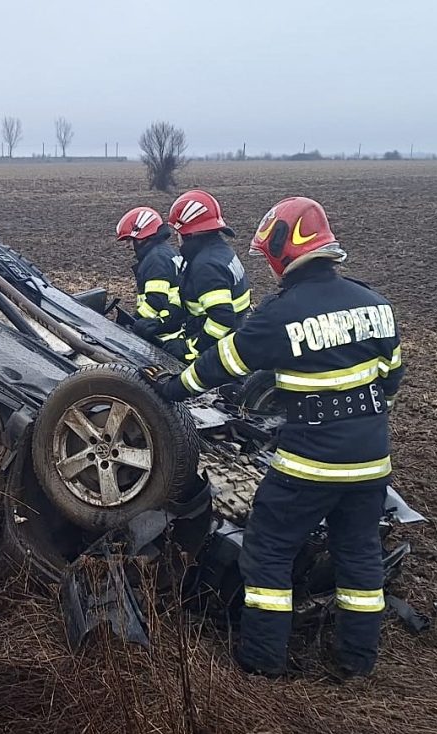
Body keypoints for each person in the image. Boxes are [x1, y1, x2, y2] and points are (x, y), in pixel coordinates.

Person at [146, 196, 404, 678]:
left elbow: (223, 364)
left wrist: (167, 389)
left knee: (268, 552)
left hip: (309, 465)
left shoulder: (282, 314)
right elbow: (390, 379)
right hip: (371, 462)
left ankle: (262, 663)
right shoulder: (377, 305)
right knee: (360, 557)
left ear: (285, 250)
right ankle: (357, 662)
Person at [164, 190, 251, 363]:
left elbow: (222, 319)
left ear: (190, 233)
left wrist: (192, 348)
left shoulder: (206, 266)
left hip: (219, 350)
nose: (175, 235)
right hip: (237, 334)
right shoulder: (220, 251)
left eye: (178, 230)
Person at [115, 206, 185, 344]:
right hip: (174, 324)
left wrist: (135, 323)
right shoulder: (168, 252)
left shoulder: (156, 259)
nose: (127, 246)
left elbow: (156, 300)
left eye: (129, 240)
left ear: (143, 236)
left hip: (163, 332)